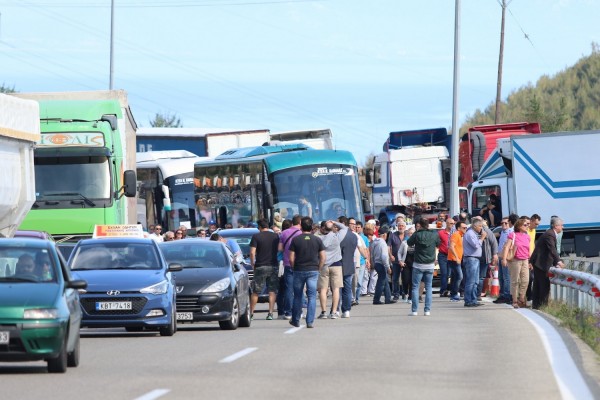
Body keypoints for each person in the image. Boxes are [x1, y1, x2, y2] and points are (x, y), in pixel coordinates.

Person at [288, 216, 325, 328]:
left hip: (299, 269)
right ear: (311, 226)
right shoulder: (317, 240)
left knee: (298, 296)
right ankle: (310, 321)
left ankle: (295, 320)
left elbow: (291, 258)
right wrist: (319, 267)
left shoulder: (296, 240)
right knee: (312, 296)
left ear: (301, 226)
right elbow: (323, 257)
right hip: (313, 270)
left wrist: (293, 267)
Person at [407, 217, 440, 316]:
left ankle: (414, 311)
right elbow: (438, 244)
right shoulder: (434, 234)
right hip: (430, 264)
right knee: (429, 287)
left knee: (415, 287)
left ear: (419, 225)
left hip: (418, 264)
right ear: (428, 224)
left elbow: (409, 243)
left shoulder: (417, 234)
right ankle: (427, 310)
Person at [249, 218, 280, 320]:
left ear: (259, 227)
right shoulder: (275, 236)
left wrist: (252, 263)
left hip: (260, 265)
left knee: (256, 291)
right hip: (273, 265)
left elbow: (252, 252)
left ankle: (251, 313)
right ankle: (270, 313)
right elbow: (279, 249)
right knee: (272, 290)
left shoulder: (256, 236)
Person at [530, 216, 564, 309]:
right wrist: (558, 261)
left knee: (538, 284)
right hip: (541, 263)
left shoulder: (549, 233)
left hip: (538, 262)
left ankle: (536, 305)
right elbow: (552, 249)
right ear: (556, 226)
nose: (563, 227)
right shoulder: (550, 234)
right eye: (561, 225)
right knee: (544, 285)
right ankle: (542, 306)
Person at [315, 220, 343, 319]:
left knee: (323, 289)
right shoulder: (337, 237)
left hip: (323, 265)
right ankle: (334, 312)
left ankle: (323, 312)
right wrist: (334, 222)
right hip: (336, 264)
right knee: (335, 289)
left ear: (322, 228)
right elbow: (344, 228)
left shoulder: (318, 238)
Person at [501, 218, 531, 309]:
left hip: (525, 259)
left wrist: (530, 261)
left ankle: (521, 298)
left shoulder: (527, 236)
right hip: (515, 260)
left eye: (527, 225)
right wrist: (504, 259)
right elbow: (506, 247)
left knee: (526, 280)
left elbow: (528, 249)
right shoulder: (512, 235)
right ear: (519, 226)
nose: (527, 226)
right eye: (525, 225)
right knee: (515, 281)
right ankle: (514, 300)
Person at [278, 215, 302, 320]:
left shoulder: (284, 233)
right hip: (300, 264)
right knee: (299, 289)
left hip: (287, 263)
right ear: (300, 222)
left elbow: (279, 248)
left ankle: (288, 312)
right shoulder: (301, 234)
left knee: (288, 288)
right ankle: (298, 311)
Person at [336, 216, 361, 318]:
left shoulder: (338, 236)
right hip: (350, 264)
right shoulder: (354, 236)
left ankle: (336, 309)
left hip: (338, 263)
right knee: (347, 289)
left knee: (336, 288)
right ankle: (346, 310)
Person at [493, 214, 518, 304]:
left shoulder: (511, 233)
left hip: (506, 258)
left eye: (506, 223)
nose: (503, 224)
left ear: (509, 223)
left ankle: (507, 295)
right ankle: (502, 294)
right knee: (501, 277)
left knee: (506, 277)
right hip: (500, 256)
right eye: (502, 223)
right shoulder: (503, 232)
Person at [462, 218, 486, 307]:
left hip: (475, 259)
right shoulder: (470, 234)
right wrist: (482, 238)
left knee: (475, 281)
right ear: (475, 226)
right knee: (471, 281)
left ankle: (473, 299)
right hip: (471, 259)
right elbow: (476, 245)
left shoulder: (474, 234)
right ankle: (468, 300)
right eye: (480, 226)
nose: (481, 228)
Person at [370, 225, 396, 305]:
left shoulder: (375, 242)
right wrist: (388, 267)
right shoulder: (383, 243)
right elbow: (384, 257)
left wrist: (373, 263)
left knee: (385, 281)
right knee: (381, 282)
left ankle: (388, 298)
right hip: (382, 264)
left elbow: (372, 254)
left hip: (377, 263)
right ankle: (376, 299)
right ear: (385, 234)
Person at [474, 217, 498, 300]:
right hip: (473, 258)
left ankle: (477, 295)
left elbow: (494, 242)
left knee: (481, 277)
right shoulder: (470, 231)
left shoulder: (486, 231)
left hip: (484, 258)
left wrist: (494, 254)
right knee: (473, 277)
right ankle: (472, 295)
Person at [388, 219, 407, 300]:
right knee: (395, 278)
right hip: (395, 260)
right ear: (397, 226)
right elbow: (388, 247)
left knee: (405, 278)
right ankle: (396, 294)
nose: (401, 227)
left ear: (405, 227)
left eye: (402, 226)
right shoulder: (393, 235)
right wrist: (390, 255)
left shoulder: (408, 235)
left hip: (406, 260)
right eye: (399, 226)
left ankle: (404, 293)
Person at [447, 221, 466, 301]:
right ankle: (454, 294)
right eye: (464, 228)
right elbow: (451, 246)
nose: (465, 229)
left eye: (466, 228)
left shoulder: (460, 235)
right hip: (454, 259)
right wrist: (457, 257)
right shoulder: (456, 235)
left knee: (456, 277)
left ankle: (453, 294)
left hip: (456, 259)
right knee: (459, 276)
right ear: (458, 228)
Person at [437, 217, 455, 297]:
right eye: (451, 223)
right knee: (444, 273)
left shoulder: (455, 233)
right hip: (443, 255)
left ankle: (451, 290)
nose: (452, 225)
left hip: (452, 255)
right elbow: (437, 243)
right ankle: (443, 290)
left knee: (450, 274)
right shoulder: (441, 233)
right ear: (447, 224)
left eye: (453, 223)